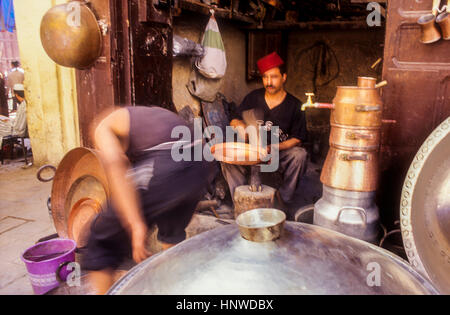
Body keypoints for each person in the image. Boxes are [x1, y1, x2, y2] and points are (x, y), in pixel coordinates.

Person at [81, 105, 214, 294]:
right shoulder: (144, 117)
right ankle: (175, 289)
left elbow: (117, 166)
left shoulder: (103, 127)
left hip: (168, 161)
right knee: (172, 232)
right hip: (200, 162)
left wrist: (136, 225)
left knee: (101, 240)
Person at [221, 52, 308, 208]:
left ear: (284, 77)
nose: (269, 82)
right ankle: (241, 200)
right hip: (252, 150)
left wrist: (271, 148)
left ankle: (283, 200)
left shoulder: (295, 105)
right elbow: (234, 119)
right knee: (227, 157)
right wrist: (241, 127)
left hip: (277, 152)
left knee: (300, 155)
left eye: (274, 77)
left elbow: (297, 139)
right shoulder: (253, 97)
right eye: (265, 77)